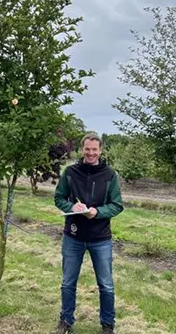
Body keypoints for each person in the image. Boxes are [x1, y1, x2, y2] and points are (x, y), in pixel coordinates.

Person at [53, 133, 123, 334]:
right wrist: (71, 206)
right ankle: (66, 320)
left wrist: (98, 212)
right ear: (82, 150)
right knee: (68, 282)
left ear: (100, 150)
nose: (91, 153)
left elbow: (117, 205)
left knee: (106, 285)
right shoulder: (70, 172)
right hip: (73, 236)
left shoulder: (110, 175)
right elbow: (59, 198)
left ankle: (107, 324)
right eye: (87, 149)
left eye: (95, 149)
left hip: (101, 239)